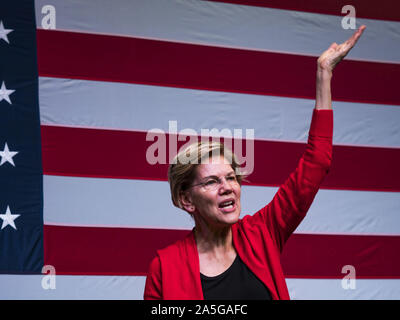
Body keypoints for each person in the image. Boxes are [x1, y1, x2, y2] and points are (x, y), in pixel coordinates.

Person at [144, 26, 366, 300]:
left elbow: (317, 162)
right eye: (212, 181)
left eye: (231, 177)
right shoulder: (165, 267)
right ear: (186, 199)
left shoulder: (261, 234)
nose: (227, 187)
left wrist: (324, 74)